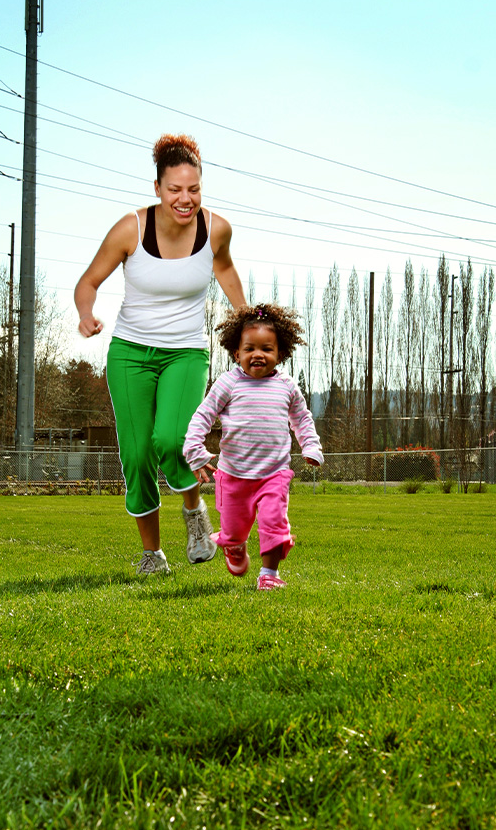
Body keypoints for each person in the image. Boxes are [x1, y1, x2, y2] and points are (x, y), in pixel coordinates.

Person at [74, 134, 246, 575]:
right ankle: (153, 554)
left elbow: (224, 269)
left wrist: (247, 323)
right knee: (136, 455)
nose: (184, 199)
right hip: (130, 353)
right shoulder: (131, 228)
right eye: (175, 189)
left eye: (194, 189)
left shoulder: (216, 229)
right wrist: (86, 314)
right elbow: (88, 282)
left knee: (171, 439)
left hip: (185, 353)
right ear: (157, 188)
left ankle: (194, 514)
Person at [183, 303, 324, 591]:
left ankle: (269, 574)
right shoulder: (228, 383)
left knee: (274, 523)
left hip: (274, 474)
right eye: (249, 349)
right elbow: (203, 415)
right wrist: (194, 451)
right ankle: (234, 545)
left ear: (280, 354)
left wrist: (310, 445)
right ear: (237, 354)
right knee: (235, 532)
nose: (258, 354)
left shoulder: (287, 387)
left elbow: (302, 419)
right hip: (234, 476)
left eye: (266, 349)